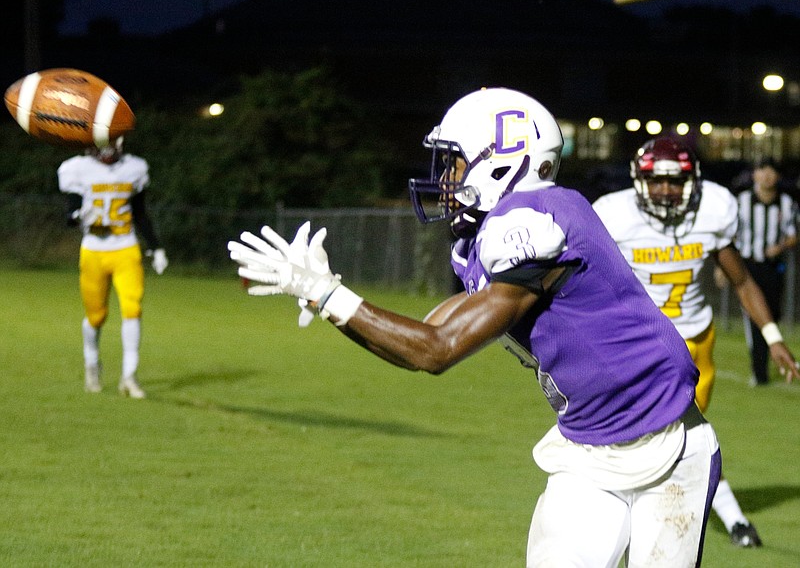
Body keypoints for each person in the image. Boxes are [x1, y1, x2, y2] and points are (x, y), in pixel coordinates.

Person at [229, 88, 725, 567]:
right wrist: (329, 294)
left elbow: (436, 350)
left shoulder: (536, 222)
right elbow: (423, 336)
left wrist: (327, 295)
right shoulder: (487, 238)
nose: (445, 179)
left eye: (456, 162)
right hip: (586, 451)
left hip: (667, 444)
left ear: (504, 160)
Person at [592, 137, 800, 549]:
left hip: (693, 345)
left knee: (681, 437)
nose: (666, 190)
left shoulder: (712, 210)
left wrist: (772, 336)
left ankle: (671, 520)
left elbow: (741, 281)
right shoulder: (615, 216)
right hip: (637, 344)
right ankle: (733, 520)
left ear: (693, 182)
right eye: (656, 181)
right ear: (639, 181)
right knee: (666, 435)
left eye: (675, 181)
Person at [57, 137, 168, 399]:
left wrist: (156, 246)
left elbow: (140, 213)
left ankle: (129, 376)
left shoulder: (134, 168)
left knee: (133, 308)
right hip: (94, 250)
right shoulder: (78, 168)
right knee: (96, 316)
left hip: (125, 247)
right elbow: (70, 215)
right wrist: (77, 216)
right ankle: (92, 362)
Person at [735, 157, 798, 386]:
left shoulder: (787, 203)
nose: (767, 176)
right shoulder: (742, 201)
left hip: (773, 268)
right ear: (754, 175)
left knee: (772, 315)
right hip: (747, 265)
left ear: (778, 176)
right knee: (754, 317)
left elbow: (793, 235)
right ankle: (759, 371)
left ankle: (769, 360)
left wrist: (780, 247)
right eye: (762, 170)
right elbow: (730, 234)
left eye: (771, 171)